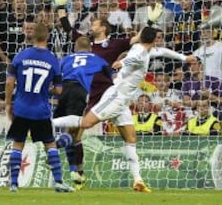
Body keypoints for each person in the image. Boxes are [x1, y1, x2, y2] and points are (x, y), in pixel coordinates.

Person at [52, 26, 197, 193]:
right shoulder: (140, 52)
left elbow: (162, 51)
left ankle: (138, 180)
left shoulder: (142, 48)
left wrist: (184, 57)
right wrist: (122, 62)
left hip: (123, 101)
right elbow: (133, 58)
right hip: (115, 96)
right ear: (153, 39)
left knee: (131, 138)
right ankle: (47, 124)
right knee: (85, 123)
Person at [5, 22, 74, 192]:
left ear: (32, 37)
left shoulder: (21, 55)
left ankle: (14, 184)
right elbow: (58, 89)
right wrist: (46, 89)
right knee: (50, 144)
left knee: (18, 144)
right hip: (41, 109)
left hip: (21, 107)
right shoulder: (52, 59)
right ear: (48, 37)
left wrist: (8, 102)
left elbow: (9, 81)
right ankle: (58, 182)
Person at [53, 36, 111, 188]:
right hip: (79, 91)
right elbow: (108, 72)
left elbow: (56, 74)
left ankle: (77, 171)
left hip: (63, 91)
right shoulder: (95, 58)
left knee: (71, 133)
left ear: (75, 48)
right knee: (73, 132)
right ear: (90, 48)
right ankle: (54, 149)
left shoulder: (66, 58)